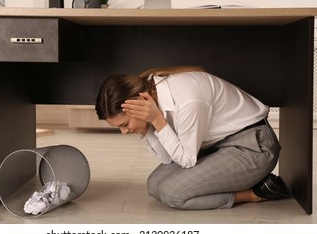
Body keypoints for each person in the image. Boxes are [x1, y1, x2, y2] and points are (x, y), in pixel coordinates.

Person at [95, 66, 291, 210]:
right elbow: (168, 158)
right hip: (218, 146)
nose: (124, 131)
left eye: (124, 125)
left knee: (172, 193)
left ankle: (256, 192)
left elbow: (186, 160)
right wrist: (148, 128)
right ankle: (235, 179)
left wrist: (157, 121)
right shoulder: (153, 94)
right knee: (154, 185)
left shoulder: (188, 99)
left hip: (253, 146)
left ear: (139, 103)